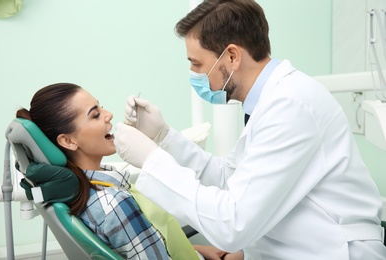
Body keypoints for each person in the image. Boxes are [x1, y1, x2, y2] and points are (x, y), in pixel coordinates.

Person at [113, 0, 386, 259]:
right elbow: (227, 178)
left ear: (231, 56)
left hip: (334, 251)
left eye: (197, 64)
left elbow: (233, 225)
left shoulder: (290, 105)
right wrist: (164, 137)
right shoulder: (266, 103)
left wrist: (152, 161)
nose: (194, 74)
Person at [16, 83, 238, 260]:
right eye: (95, 115)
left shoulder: (93, 188)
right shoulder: (113, 204)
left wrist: (197, 251)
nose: (109, 114)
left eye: (101, 107)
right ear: (68, 141)